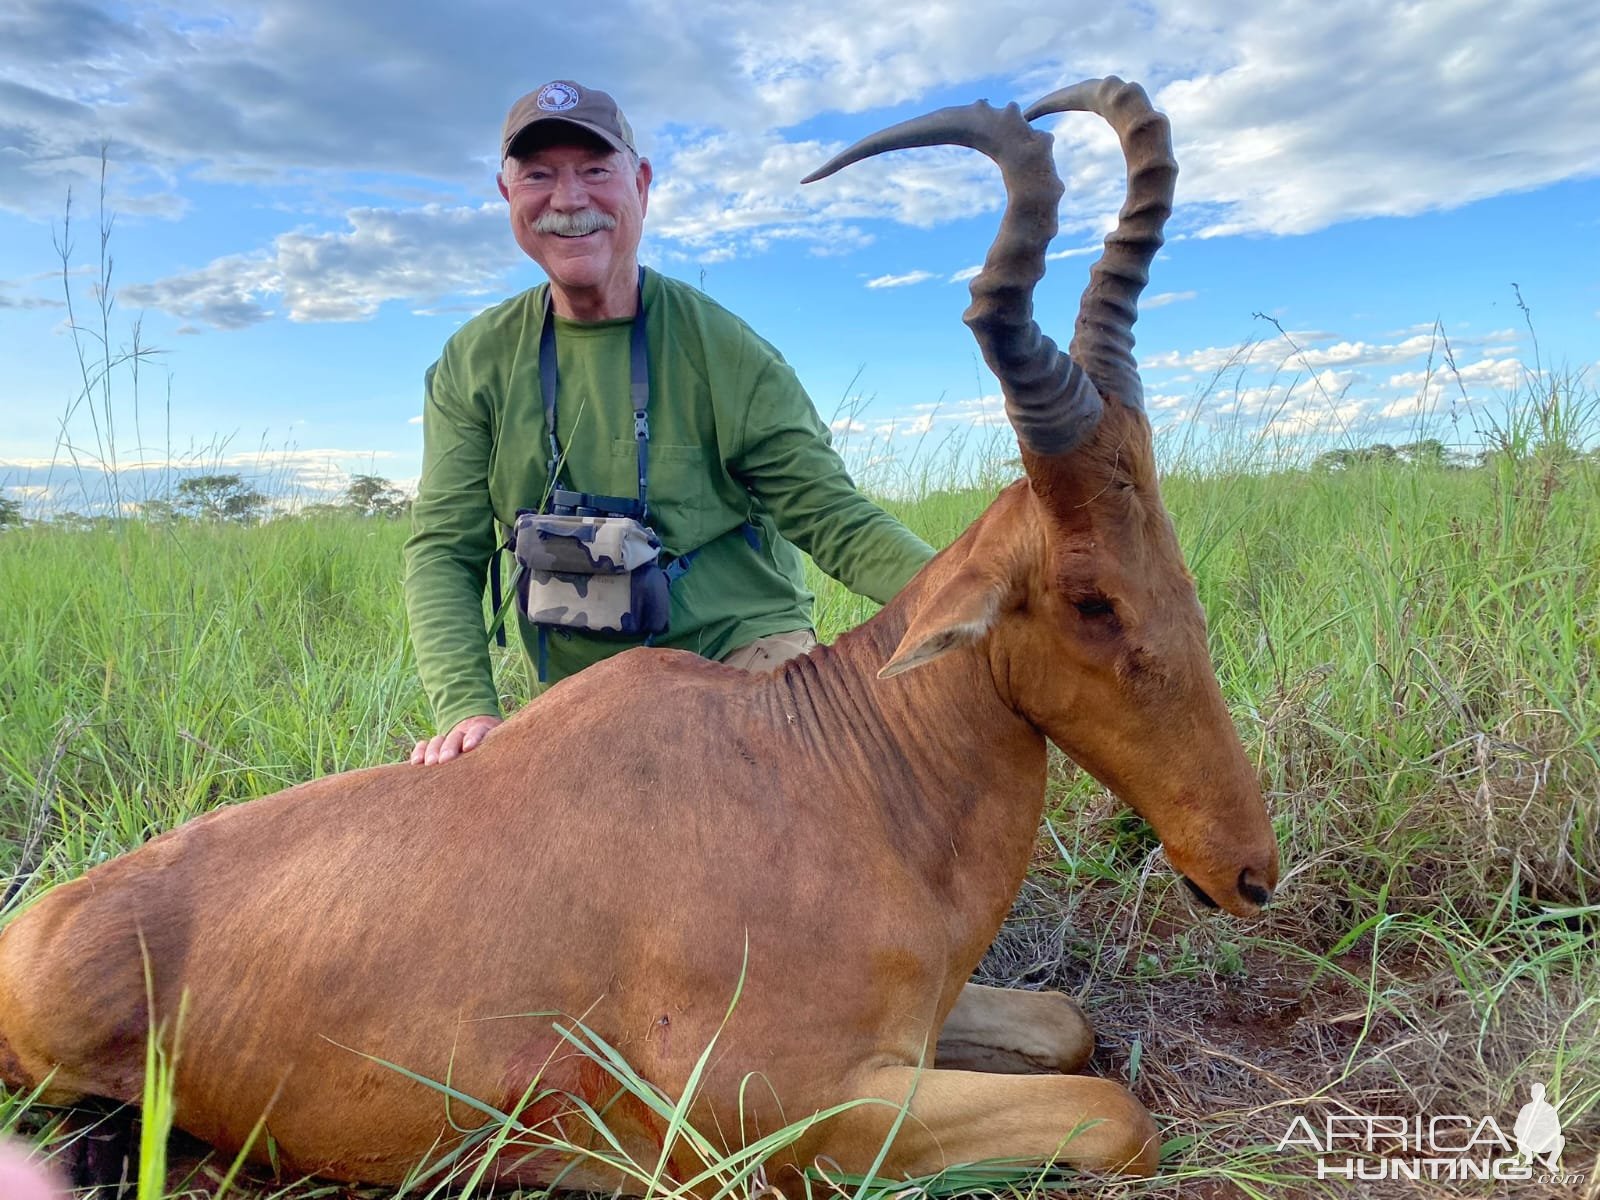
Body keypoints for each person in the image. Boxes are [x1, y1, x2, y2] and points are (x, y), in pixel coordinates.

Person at [406, 80, 934, 765]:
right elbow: (444, 551)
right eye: (539, 175)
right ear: (508, 194)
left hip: (740, 659)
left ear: (641, 183)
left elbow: (836, 520)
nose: (568, 199)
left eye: (595, 170)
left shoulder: (726, 350)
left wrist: (973, 592)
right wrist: (467, 709)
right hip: (580, 691)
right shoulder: (474, 361)